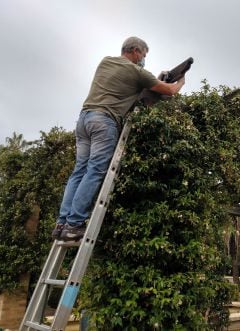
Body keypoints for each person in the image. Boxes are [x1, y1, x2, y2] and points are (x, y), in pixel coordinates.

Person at [52, 36, 185, 241]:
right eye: (143, 55)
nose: (143, 59)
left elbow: (133, 90)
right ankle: (74, 224)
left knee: (79, 171)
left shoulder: (105, 61)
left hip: (84, 120)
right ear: (135, 51)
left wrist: (155, 80)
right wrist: (180, 80)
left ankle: (62, 223)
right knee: (95, 170)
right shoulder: (137, 72)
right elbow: (168, 91)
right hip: (104, 122)